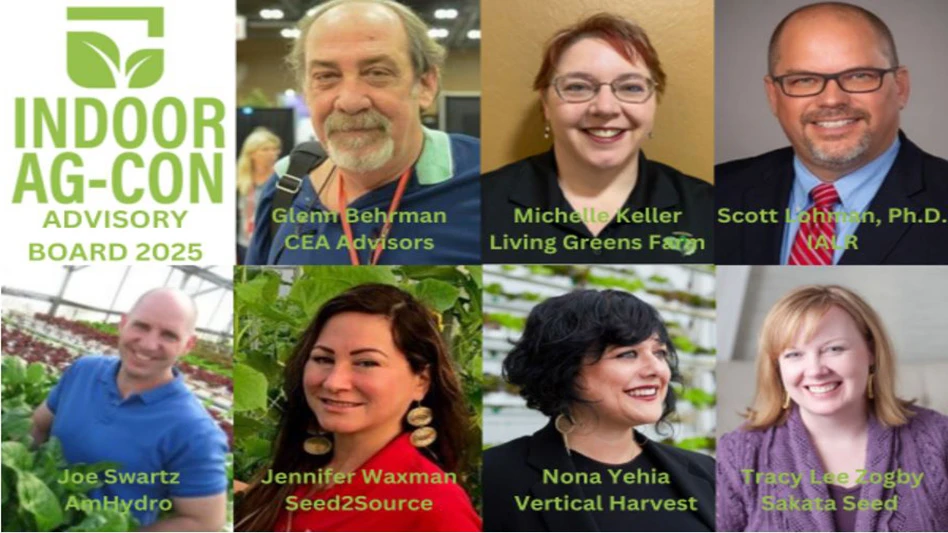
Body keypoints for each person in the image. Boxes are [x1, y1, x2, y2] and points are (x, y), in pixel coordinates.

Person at [245, 0, 480, 266]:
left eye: (377, 73)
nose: (350, 101)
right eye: (326, 76)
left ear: (425, 85)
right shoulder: (285, 182)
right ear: (306, 90)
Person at [715, 2, 948, 265]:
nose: (832, 100)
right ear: (773, 96)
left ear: (900, 88)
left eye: (859, 76)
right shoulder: (719, 191)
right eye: (804, 80)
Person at [234, 284, 480, 532]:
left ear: (421, 381)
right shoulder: (301, 472)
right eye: (323, 359)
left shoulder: (436, 506)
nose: (333, 382)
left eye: (366, 362)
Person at [482, 13, 713, 264]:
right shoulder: (480, 203)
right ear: (546, 104)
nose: (605, 108)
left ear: (653, 103)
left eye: (630, 87)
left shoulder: (709, 209)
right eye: (578, 87)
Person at [716, 285, 948, 531]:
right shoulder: (737, 455)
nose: (815, 370)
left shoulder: (939, 437)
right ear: (777, 367)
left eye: (834, 349)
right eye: (794, 354)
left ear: (871, 351)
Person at [483, 290, 715, 532]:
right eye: (627, 354)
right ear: (564, 367)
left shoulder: (705, 472)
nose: (656, 369)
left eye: (659, 353)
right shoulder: (496, 477)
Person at [30, 288, 228, 531]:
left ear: (188, 345)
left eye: (168, 335)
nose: (148, 344)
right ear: (122, 324)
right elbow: (38, 426)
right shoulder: (83, 371)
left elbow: (205, 522)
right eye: (141, 326)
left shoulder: (195, 431)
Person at [237, 127, 282, 255]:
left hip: (271, 244)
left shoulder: (282, 178)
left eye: (275, 149)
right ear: (251, 153)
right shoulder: (238, 179)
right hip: (244, 243)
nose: (273, 153)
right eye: (265, 149)